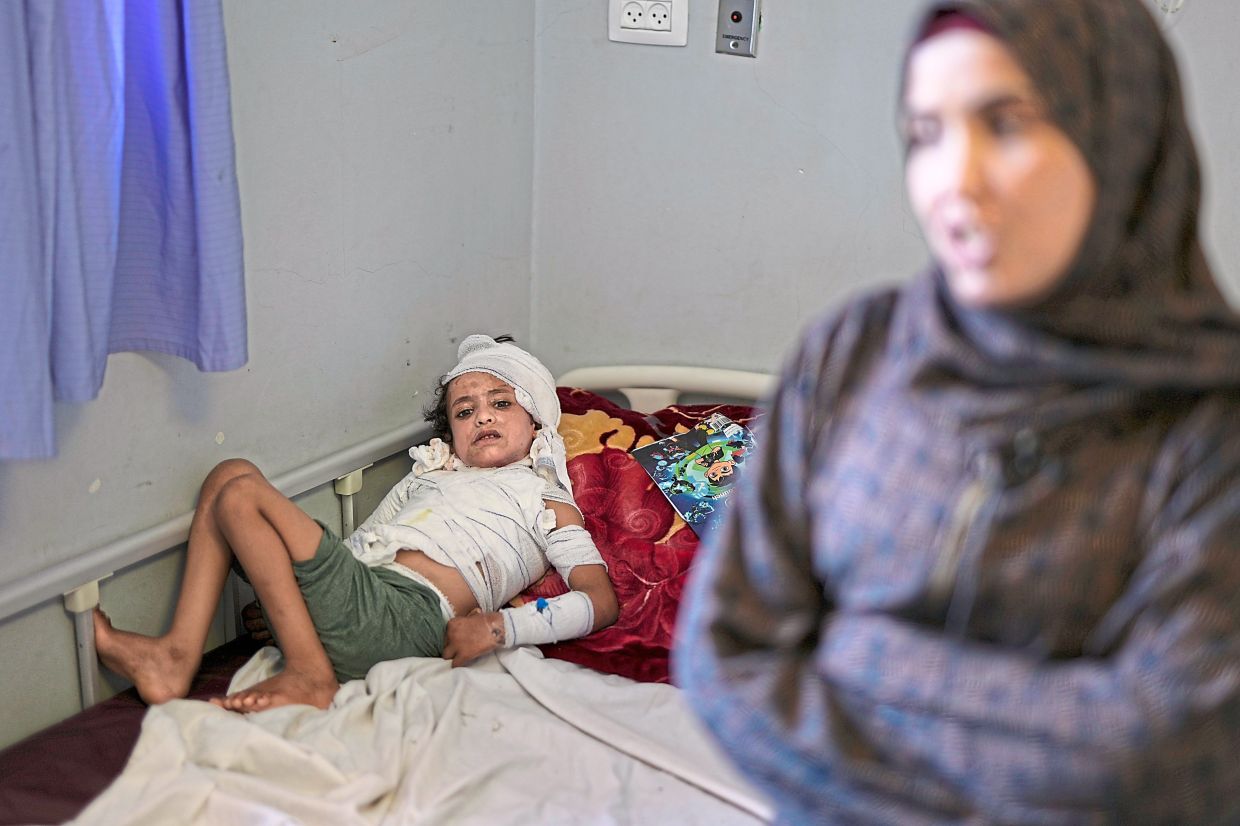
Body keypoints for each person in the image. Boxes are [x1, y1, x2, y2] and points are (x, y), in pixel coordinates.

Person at [673, 1, 1240, 823]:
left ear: (1118, 136)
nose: (955, 179)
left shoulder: (1208, 424)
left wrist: (859, 659)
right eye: (926, 134)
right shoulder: (853, 352)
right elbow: (723, 654)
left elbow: (1165, 756)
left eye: (1005, 122)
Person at [95, 334, 619, 712]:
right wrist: (296, 597)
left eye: (501, 404)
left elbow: (600, 601)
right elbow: (358, 546)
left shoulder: (541, 496)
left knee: (240, 496)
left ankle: (308, 675)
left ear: (536, 424)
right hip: (357, 600)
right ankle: (177, 655)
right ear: (452, 434)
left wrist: (500, 627)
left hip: (405, 617)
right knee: (228, 475)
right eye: (464, 411)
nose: (481, 417)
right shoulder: (427, 479)